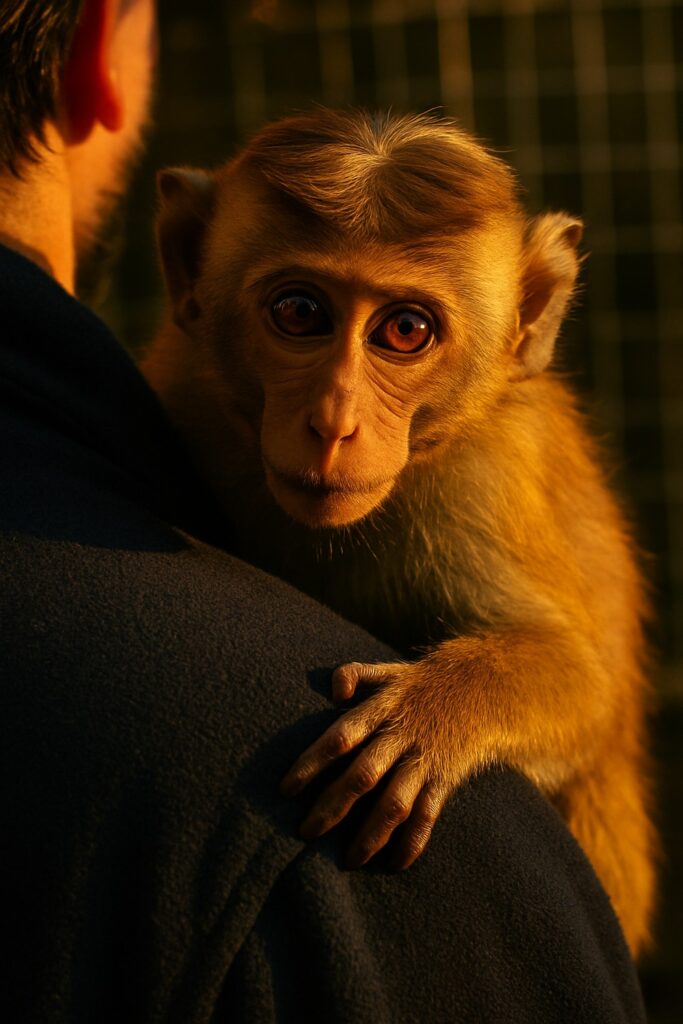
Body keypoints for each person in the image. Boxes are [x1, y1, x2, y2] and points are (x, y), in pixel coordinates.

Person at [0, 2, 648, 1021]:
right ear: (188, 266)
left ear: (529, 315)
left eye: (404, 330)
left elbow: (574, 682)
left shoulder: (498, 464)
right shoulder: (171, 399)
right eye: (298, 314)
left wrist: (446, 709)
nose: (337, 413)